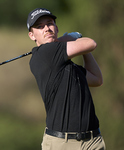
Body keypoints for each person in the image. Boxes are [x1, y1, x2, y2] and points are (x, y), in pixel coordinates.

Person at [27, 8, 106, 150]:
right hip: (62, 143)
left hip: (92, 141)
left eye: (50, 23)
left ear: (56, 28)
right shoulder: (45, 53)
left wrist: (80, 46)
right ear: (32, 36)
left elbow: (96, 79)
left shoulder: (66, 66)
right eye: (40, 26)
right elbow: (91, 43)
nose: (46, 28)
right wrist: (74, 37)